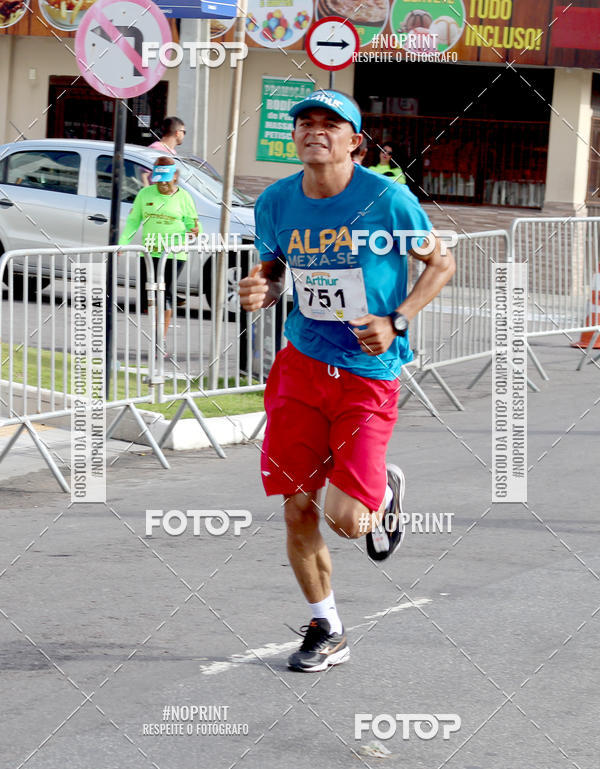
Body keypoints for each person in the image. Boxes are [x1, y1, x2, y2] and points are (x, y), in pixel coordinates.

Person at [239, 90, 455, 673]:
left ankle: (381, 491)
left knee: (348, 521)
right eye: (305, 122)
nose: (315, 130)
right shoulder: (277, 201)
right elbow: (274, 263)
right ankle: (326, 627)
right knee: (297, 509)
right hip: (301, 367)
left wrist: (398, 319)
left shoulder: (388, 199)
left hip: (365, 375)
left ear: (354, 141)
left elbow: (441, 262)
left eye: (330, 123)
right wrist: (261, 285)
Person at [119, 156, 199, 349]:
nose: (162, 183)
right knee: (150, 296)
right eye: (158, 178)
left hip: (173, 254)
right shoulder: (145, 194)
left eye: (166, 178)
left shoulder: (183, 197)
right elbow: (133, 221)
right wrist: (122, 243)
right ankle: (156, 332)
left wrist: (194, 232)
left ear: (174, 177)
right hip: (149, 253)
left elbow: (193, 225)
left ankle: (160, 340)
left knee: (166, 295)